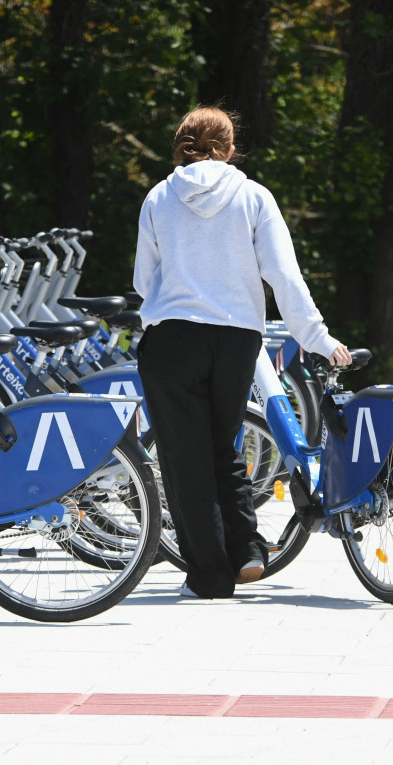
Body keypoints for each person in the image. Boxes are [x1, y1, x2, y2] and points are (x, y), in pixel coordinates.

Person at [133, 105, 351, 599]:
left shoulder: (159, 197)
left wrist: (160, 312)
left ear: (180, 145)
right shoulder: (254, 197)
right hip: (236, 339)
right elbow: (284, 276)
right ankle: (248, 551)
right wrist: (318, 338)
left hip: (174, 338)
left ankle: (209, 576)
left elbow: (144, 279)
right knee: (223, 445)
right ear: (230, 149)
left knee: (184, 457)